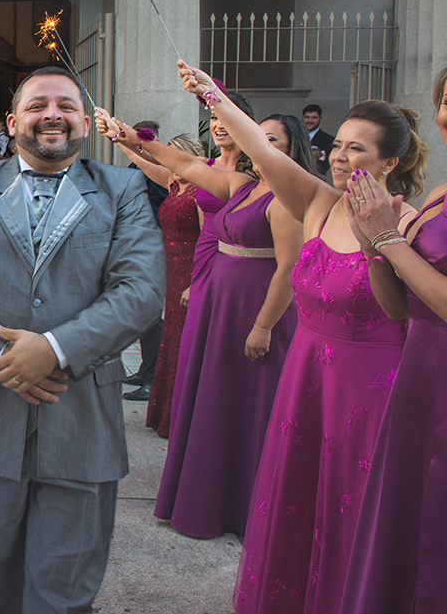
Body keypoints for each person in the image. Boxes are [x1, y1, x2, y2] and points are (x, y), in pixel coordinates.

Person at [0, 67, 166, 612]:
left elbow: (141, 291)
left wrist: (51, 350)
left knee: (66, 585)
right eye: (37, 105)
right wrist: (1, 359)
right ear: (12, 121)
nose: (52, 114)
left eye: (66, 105)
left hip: (81, 417)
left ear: (85, 121)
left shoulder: (122, 190)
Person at [179, 66, 424, 613]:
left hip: (370, 393)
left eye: (355, 150)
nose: (338, 157)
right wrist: (213, 96)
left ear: (390, 163)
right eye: (337, 145)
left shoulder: (409, 225)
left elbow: (417, 314)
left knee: (352, 513)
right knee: (296, 502)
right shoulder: (318, 203)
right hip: (306, 377)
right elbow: (262, 153)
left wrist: (382, 239)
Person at [97, 100, 313, 540]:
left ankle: (251, 504)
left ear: (292, 151)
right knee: (217, 397)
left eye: (272, 140)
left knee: (253, 406)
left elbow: (290, 269)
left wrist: (264, 326)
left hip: (258, 307)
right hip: (221, 297)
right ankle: (211, 496)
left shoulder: (290, 199)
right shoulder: (242, 185)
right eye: (260, 137)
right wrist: (125, 135)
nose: (261, 145)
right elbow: (180, 166)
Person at [339, 65, 447, 613]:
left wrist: (387, 238)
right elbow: (401, 309)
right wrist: (369, 246)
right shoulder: (440, 194)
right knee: (410, 511)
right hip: (421, 369)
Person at [142, 134, 204, 437]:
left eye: (178, 155)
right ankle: (165, 413)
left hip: (190, 271)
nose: (172, 160)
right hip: (169, 267)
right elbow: (144, 162)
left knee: (183, 341)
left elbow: (210, 239)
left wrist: (197, 282)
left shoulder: (203, 188)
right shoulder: (172, 182)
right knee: (170, 337)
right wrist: (119, 137)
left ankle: (183, 417)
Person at [121, 119, 170, 402]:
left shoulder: (163, 171)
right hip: (140, 246)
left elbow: (160, 208)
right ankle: (146, 369)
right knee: (144, 312)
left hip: (159, 246)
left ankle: (154, 378)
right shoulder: (133, 168)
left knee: (153, 315)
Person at [303, 103, 335, 176]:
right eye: (307, 117)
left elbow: (323, 167)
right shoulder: (294, 137)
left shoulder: (328, 140)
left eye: (314, 118)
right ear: (302, 117)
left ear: (320, 119)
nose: (310, 121)